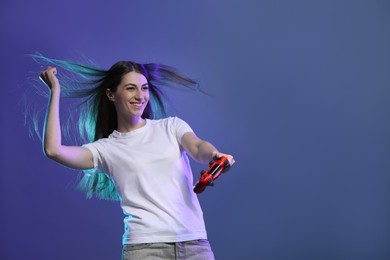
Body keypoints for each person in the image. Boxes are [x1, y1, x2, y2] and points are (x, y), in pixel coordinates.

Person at [35, 55, 235, 260]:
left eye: (144, 88)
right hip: (144, 249)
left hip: (195, 245)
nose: (140, 95)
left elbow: (198, 147)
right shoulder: (105, 149)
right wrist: (55, 91)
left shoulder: (171, 126)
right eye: (131, 88)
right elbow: (54, 151)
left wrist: (214, 155)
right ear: (111, 94)